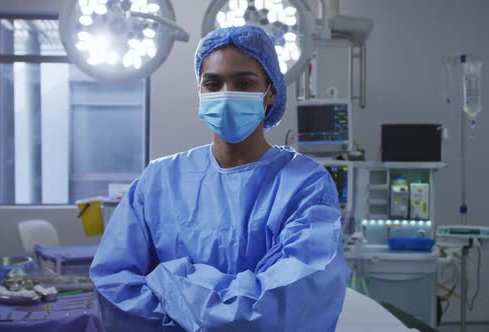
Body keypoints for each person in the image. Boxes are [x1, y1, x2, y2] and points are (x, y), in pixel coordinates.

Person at [90, 25, 350, 331]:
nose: (226, 94)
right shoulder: (159, 180)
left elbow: (283, 308)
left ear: (271, 92)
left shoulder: (305, 185)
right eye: (212, 84)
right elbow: (113, 290)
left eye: (243, 82)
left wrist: (169, 280)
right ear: (200, 92)